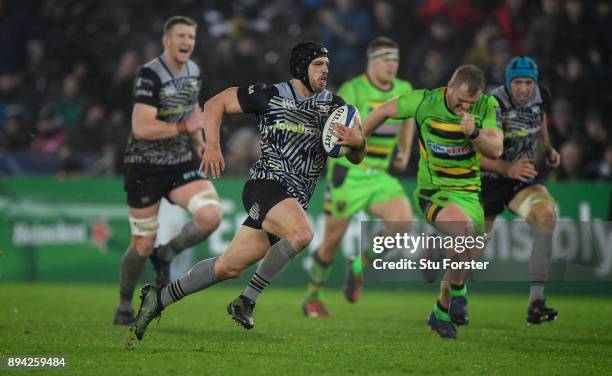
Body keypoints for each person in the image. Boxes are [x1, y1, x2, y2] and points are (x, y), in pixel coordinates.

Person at [133, 41, 367, 340]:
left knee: (228, 267)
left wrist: (357, 141)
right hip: (265, 186)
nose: (326, 70)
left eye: (327, 64)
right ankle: (246, 301)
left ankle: (159, 298)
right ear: (301, 67)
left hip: (292, 200)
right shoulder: (269, 95)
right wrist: (213, 147)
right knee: (302, 235)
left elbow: (358, 156)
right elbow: (215, 103)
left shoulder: (336, 107)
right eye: (319, 64)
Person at [362, 65, 503, 338]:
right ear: (449, 86)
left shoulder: (487, 106)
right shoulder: (426, 101)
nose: (465, 107)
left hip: (469, 195)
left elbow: (496, 149)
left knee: (465, 257)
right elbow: (382, 112)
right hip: (433, 191)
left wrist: (474, 132)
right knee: (464, 234)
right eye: (460, 100)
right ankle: (460, 294)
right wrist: (358, 138)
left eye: (470, 103)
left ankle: (439, 313)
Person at [113, 16, 222, 325]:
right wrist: (185, 127)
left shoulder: (193, 71)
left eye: (191, 36)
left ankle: (166, 254)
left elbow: (192, 110)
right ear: (167, 41)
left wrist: (199, 141)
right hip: (144, 167)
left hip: (179, 162)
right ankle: (123, 303)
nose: (187, 41)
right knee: (141, 243)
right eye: (180, 36)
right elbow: (141, 126)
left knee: (210, 215)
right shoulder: (150, 74)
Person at [302, 37, 414, 318]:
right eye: (386, 59)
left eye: (395, 60)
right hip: (349, 173)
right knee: (331, 243)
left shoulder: (404, 89)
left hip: (378, 173)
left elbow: (409, 115)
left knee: (402, 224)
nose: (392, 65)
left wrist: (405, 148)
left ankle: (361, 264)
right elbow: (342, 129)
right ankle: (312, 297)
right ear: (372, 62)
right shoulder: (354, 89)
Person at [480, 56, 560, 324]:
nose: (524, 89)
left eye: (528, 82)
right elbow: (471, 153)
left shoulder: (541, 96)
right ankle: (436, 251)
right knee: (471, 252)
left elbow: (539, 119)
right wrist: (506, 168)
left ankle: (536, 301)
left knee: (546, 216)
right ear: (508, 82)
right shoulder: (493, 104)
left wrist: (547, 147)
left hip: (520, 178)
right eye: (518, 83)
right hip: (486, 181)